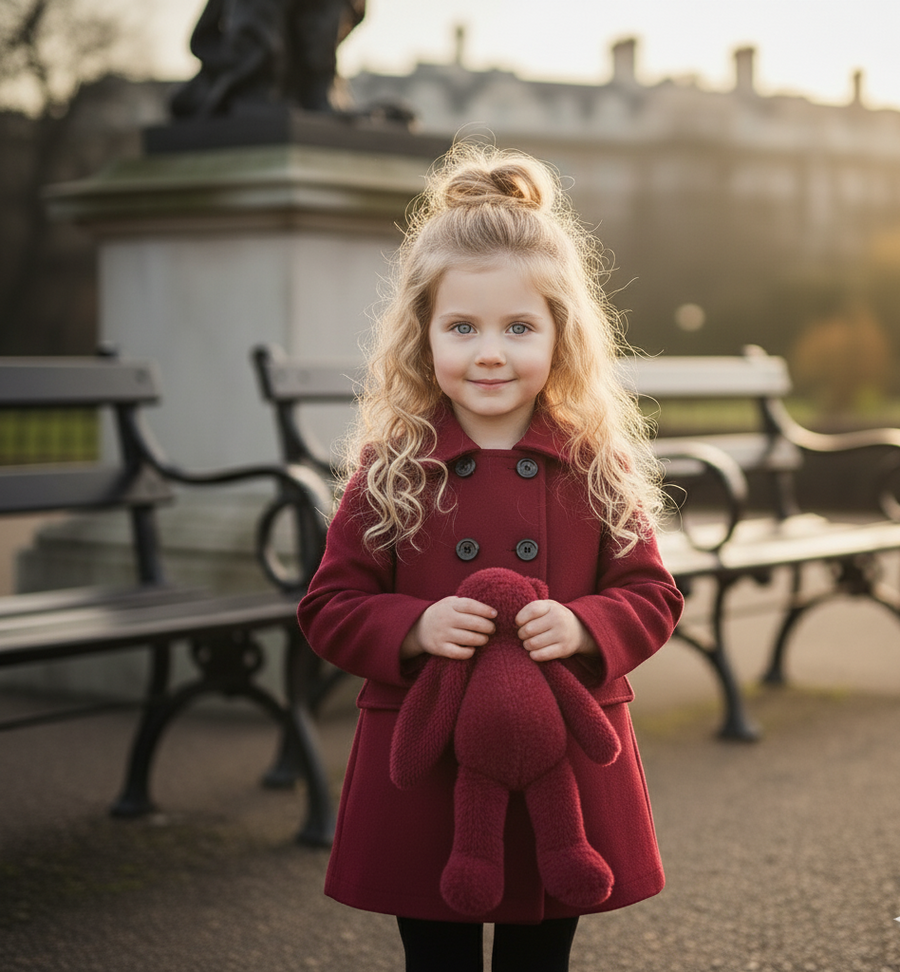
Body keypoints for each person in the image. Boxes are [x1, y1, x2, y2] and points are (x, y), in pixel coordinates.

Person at [297, 143, 684, 972]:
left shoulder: (593, 462)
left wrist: (586, 626)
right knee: (434, 955)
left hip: (562, 762)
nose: (490, 353)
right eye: (462, 327)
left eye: (519, 327)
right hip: (427, 758)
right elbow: (329, 605)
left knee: (540, 954)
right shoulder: (392, 465)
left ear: (560, 333)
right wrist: (414, 625)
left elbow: (651, 591)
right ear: (423, 333)